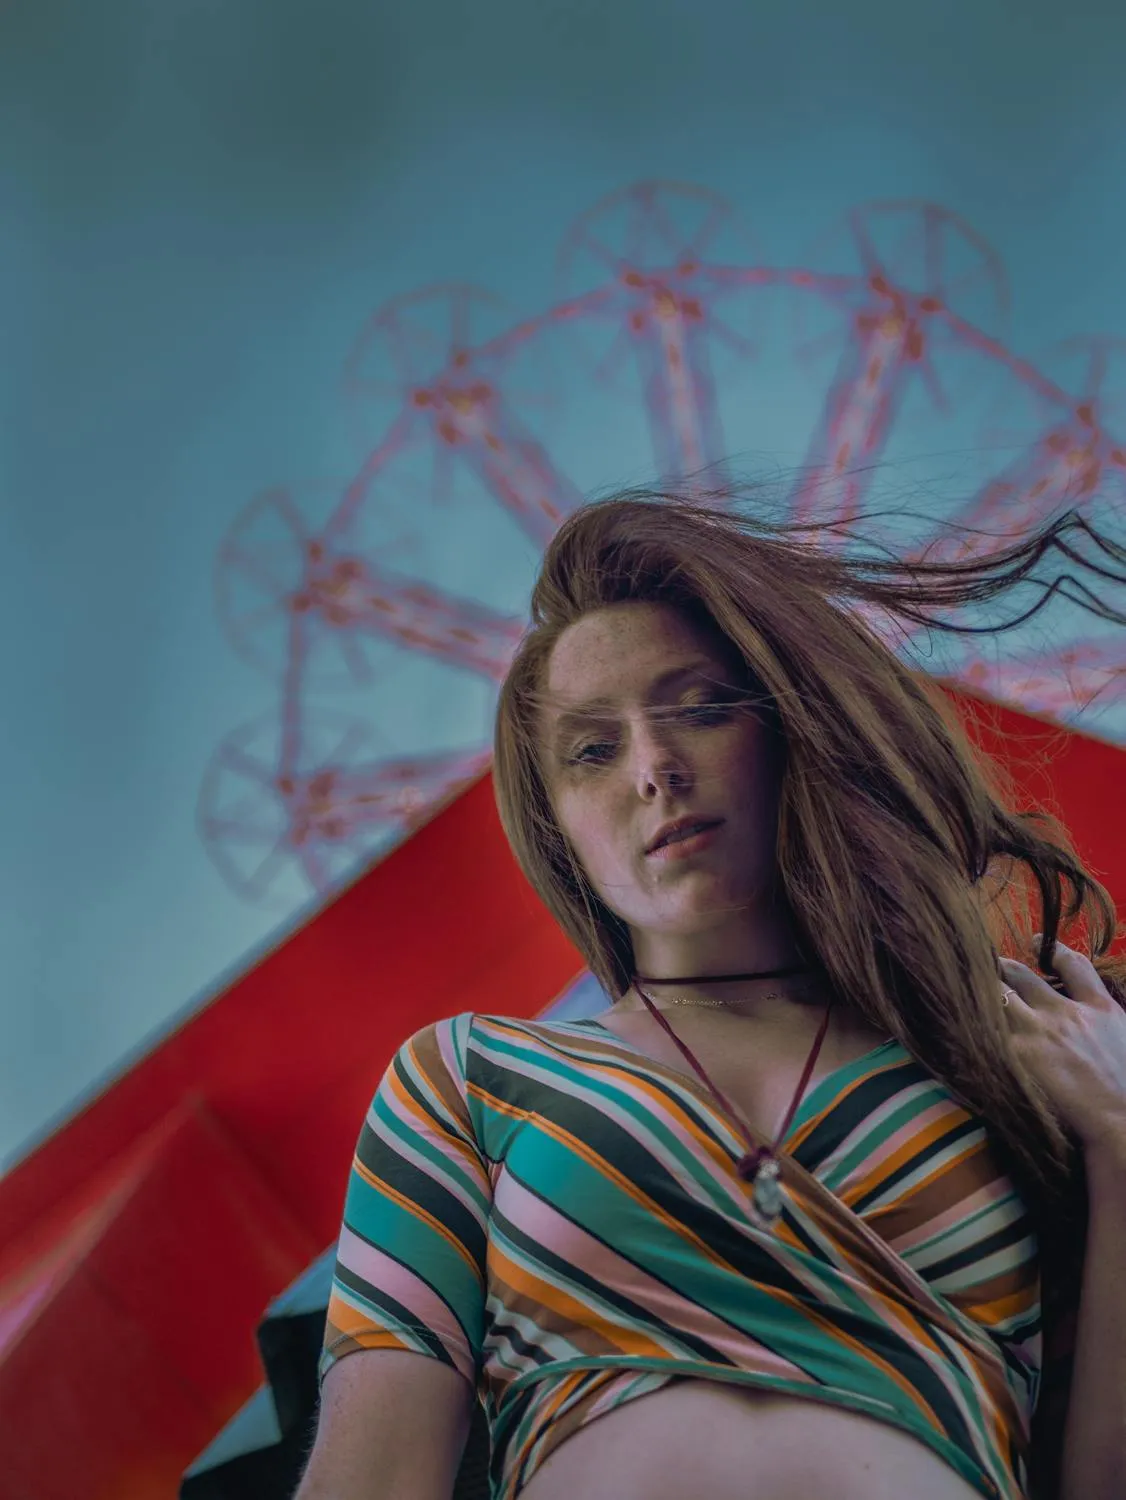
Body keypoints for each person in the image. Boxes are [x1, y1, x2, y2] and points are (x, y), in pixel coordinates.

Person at [295, 489, 1126, 1500]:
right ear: (556, 829)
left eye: (701, 706)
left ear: (788, 733)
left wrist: (1120, 1141)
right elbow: (371, 1482)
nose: (654, 768)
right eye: (591, 751)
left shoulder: (1015, 1059)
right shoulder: (471, 1080)